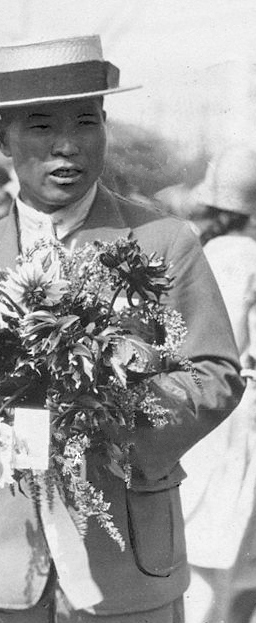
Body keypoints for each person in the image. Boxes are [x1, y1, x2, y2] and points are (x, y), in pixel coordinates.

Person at [0, 35, 244, 623]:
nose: (66, 146)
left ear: (104, 127)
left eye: (85, 122)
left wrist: (109, 413)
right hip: (7, 563)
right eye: (39, 127)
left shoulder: (163, 241)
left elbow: (217, 374)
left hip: (129, 559)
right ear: (2, 138)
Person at [179, 146, 256, 623]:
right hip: (240, 406)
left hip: (200, 403)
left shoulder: (201, 252)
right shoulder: (249, 258)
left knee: (202, 543)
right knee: (230, 545)